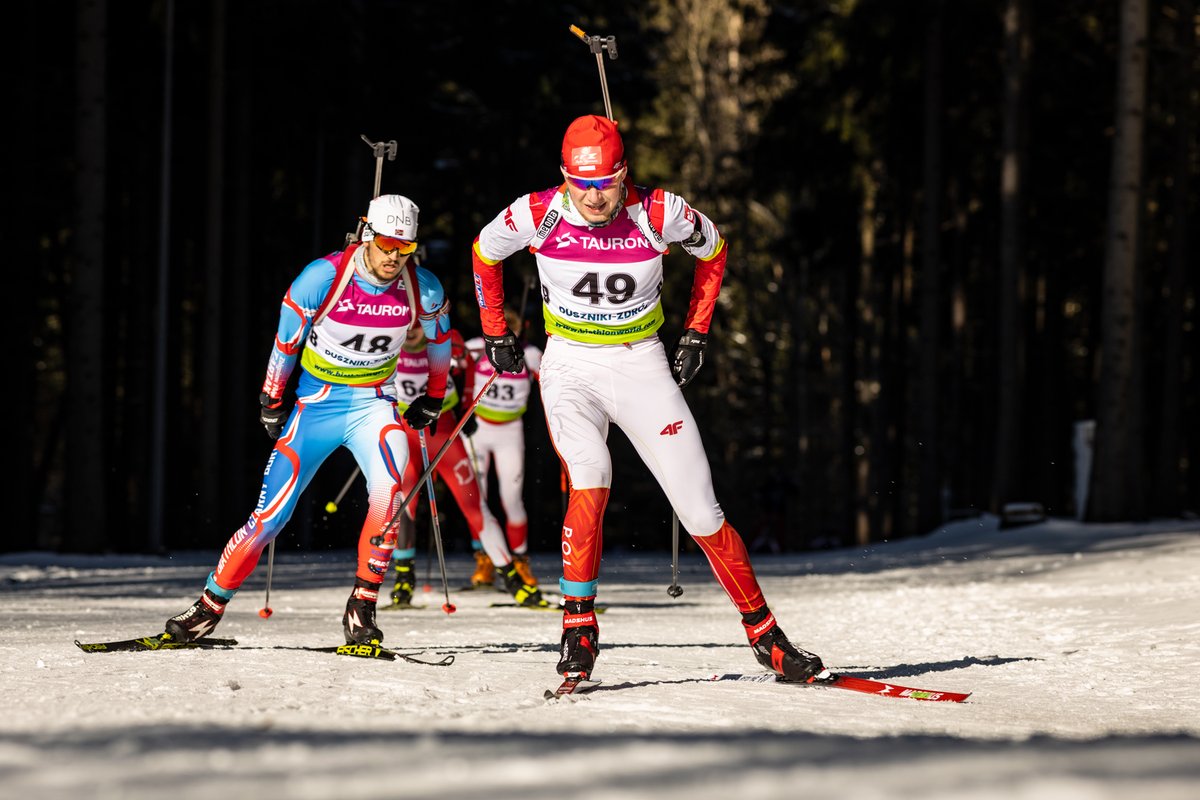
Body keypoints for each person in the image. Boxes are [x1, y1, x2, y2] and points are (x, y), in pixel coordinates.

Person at [470, 115, 825, 683]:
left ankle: (767, 639)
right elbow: (485, 253)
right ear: (564, 177)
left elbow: (715, 250)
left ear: (623, 174)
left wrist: (697, 332)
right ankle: (578, 630)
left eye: (605, 184)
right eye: (579, 184)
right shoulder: (535, 212)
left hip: (641, 363)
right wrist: (494, 330)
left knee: (700, 508)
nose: (592, 197)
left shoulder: (660, 211)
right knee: (592, 474)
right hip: (571, 367)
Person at [165, 194, 450, 646]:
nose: (395, 256)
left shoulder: (424, 288)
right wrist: (270, 399)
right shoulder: (322, 277)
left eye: (406, 248)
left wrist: (434, 396)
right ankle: (208, 608)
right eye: (387, 244)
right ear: (366, 234)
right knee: (270, 518)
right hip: (316, 405)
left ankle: (362, 607)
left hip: (374, 404)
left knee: (389, 497)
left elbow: (440, 343)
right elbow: (286, 344)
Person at [386, 323, 546, 608]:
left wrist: (466, 404)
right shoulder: (388, 339)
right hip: (405, 435)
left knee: (475, 504)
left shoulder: (449, 338)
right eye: (407, 322)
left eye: (418, 322)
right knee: (403, 503)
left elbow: (469, 368)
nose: (412, 329)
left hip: (445, 435)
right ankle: (403, 580)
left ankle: (513, 580)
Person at [462, 306, 543, 590]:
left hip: (510, 430)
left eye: (514, 330)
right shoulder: (474, 348)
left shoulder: (530, 353)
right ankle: (485, 559)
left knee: (512, 499)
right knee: (477, 497)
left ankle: (519, 561)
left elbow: (551, 381)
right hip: (478, 430)